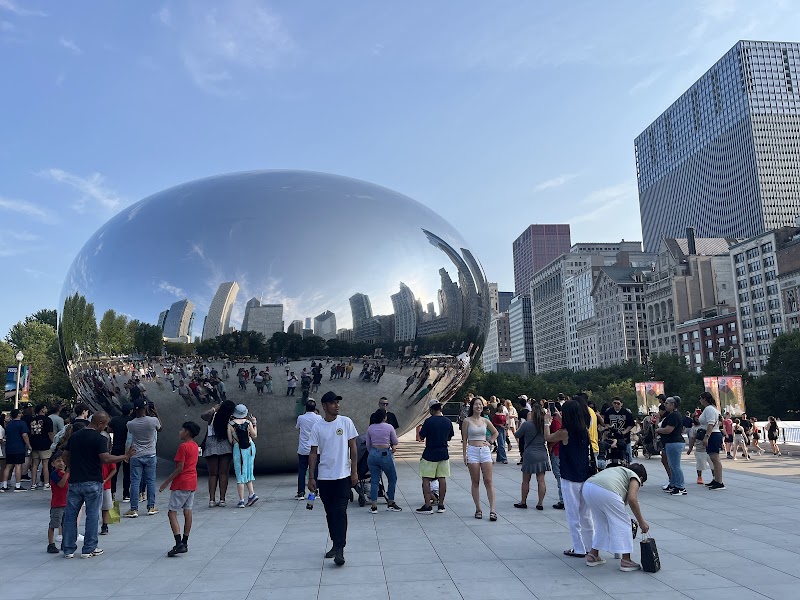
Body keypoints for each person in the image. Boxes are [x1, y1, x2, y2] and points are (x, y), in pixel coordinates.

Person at [62, 412, 135, 559]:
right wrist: (125, 457)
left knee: (70, 516)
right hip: (93, 481)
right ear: (100, 423)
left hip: (75, 482)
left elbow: (64, 455)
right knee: (92, 515)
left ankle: (68, 549)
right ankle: (89, 548)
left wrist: (72, 467)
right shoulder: (99, 438)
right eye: (105, 424)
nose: (106, 427)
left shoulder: (75, 436)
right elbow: (106, 458)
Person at [308, 391, 358, 566]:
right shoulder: (318, 427)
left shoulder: (346, 422)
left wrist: (354, 471)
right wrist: (311, 477)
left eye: (338, 402)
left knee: (340, 512)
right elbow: (313, 453)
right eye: (333, 403)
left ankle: (340, 549)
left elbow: (353, 448)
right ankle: (335, 544)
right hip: (325, 477)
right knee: (330, 513)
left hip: (343, 476)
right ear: (324, 406)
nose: (337, 405)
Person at [546, 399, 594, 558]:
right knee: (586, 515)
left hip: (569, 477)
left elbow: (548, 437)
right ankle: (590, 546)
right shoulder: (584, 430)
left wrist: (547, 422)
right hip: (584, 476)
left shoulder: (564, 432)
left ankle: (578, 547)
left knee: (573, 515)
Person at [582, 463, 650, 572]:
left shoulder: (618, 470)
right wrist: (641, 522)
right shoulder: (634, 476)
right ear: (640, 477)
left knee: (602, 522)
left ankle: (593, 555)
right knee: (624, 523)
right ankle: (626, 560)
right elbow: (632, 499)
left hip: (588, 486)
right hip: (606, 490)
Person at [159, 421, 201, 557]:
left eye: (182, 430)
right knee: (187, 511)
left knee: (172, 512)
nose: (179, 432)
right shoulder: (195, 446)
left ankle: (178, 543)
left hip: (182, 482)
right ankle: (185, 541)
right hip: (192, 482)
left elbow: (180, 468)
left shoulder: (183, 447)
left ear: (187, 432)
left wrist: (166, 482)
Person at [461, 396, 499, 521]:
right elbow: (464, 439)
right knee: (475, 481)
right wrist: (464, 454)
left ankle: (492, 510)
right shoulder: (467, 421)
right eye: (476, 404)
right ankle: (478, 508)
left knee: (488, 481)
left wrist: (490, 442)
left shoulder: (485, 420)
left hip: (485, 451)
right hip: (472, 451)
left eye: (480, 404)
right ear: (472, 406)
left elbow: (495, 432)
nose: (479, 406)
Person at [124, 399, 162, 518]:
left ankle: (133, 509)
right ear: (145, 408)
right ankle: (151, 506)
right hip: (150, 454)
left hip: (136, 455)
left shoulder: (130, 424)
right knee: (150, 481)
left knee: (135, 482)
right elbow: (160, 428)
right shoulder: (153, 421)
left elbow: (130, 438)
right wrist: (156, 413)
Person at [417, 399, 454, 514]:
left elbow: (421, 437)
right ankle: (441, 505)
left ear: (431, 409)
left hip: (429, 453)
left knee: (426, 479)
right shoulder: (448, 421)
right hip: (443, 453)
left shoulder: (429, 421)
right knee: (442, 479)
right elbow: (449, 437)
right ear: (441, 408)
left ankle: (428, 505)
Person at [513, 404, 550, 510]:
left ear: (532, 413)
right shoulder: (545, 425)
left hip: (529, 453)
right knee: (541, 480)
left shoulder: (527, 425)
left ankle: (523, 501)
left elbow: (517, 435)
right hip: (542, 453)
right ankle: (540, 503)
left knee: (526, 480)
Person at [365, 409, 401, 514]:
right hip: (385, 453)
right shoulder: (389, 427)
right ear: (385, 417)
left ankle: (374, 506)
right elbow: (395, 441)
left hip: (372, 454)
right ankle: (390, 502)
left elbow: (368, 444)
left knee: (374, 480)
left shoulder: (370, 428)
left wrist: (372, 452)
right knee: (392, 478)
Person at [200, 400, 235, 507]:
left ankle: (211, 500)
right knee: (223, 473)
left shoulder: (213, 415)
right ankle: (222, 499)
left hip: (211, 445)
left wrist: (214, 408)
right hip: (225, 445)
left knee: (212, 474)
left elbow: (203, 416)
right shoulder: (230, 418)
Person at [228, 404, 258, 508]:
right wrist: (254, 423)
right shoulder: (248, 422)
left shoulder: (230, 424)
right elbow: (254, 435)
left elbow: (230, 440)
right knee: (249, 471)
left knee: (240, 474)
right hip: (250, 448)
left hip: (238, 450)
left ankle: (241, 500)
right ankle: (251, 494)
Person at [656, 396, 686, 496]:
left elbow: (669, 429)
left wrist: (658, 430)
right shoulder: (672, 415)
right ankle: (673, 484)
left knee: (675, 466)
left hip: (674, 442)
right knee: (672, 465)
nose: (665, 405)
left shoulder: (674, 416)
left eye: (667, 403)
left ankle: (680, 486)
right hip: (671, 442)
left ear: (673, 405)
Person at [295, 399, 323, 500]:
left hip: (303, 448)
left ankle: (301, 492)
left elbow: (297, 427)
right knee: (315, 470)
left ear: (305, 408)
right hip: (315, 449)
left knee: (302, 470)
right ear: (315, 408)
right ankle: (315, 491)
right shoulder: (319, 418)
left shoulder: (301, 418)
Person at [698, 392, 725, 490]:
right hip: (714, 434)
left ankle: (719, 481)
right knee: (714, 459)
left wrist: (707, 437)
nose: (700, 400)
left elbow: (711, 424)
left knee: (715, 459)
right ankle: (716, 479)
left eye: (700, 398)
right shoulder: (713, 409)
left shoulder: (709, 409)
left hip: (712, 434)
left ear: (705, 399)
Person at [1, 409, 31, 492]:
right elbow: (24, 435)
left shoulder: (9, 424)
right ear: (18, 414)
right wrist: (28, 445)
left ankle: (4, 485)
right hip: (19, 447)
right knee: (18, 465)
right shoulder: (22, 424)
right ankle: (18, 485)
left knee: (8, 466)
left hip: (9, 448)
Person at [108, 404, 133, 502]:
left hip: (116, 447)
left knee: (114, 470)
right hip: (127, 448)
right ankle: (126, 494)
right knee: (127, 472)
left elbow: (109, 430)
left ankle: (112, 492)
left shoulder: (114, 420)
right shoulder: (131, 421)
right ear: (130, 411)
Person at [46, 453, 69, 553]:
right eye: (58, 461)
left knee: (66, 525)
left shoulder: (66, 474)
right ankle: (51, 544)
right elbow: (61, 484)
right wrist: (67, 473)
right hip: (57, 504)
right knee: (54, 524)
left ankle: (65, 543)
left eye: (63, 461)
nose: (61, 463)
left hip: (67, 503)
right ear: (53, 464)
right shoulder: (54, 474)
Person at [29, 404, 55, 490]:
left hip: (34, 443)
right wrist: (54, 442)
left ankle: (33, 484)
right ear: (42, 410)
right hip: (45, 444)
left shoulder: (32, 420)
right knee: (45, 464)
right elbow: (50, 433)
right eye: (45, 408)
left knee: (34, 465)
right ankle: (46, 483)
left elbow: (31, 432)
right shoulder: (48, 420)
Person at [601, 397, 634, 464]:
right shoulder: (608, 411)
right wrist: (609, 428)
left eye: (618, 403)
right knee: (611, 452)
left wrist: (624, 432)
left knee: (628, 456)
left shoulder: (626, 412)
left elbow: (631, 424)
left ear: (621, 404)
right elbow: (606, 422)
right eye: (614, 403)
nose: (616, 405)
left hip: (624, 437)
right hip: (612, 437)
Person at [548, 405, 565, 509]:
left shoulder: (555, 421)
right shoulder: (563, 421)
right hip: (561, 450)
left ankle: (563, 500)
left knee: (559, 475)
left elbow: (557, 437)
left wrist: (550, 446)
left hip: (557, 450)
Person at [687, 417, 713, 485]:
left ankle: (715, 477)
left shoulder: (708, 426)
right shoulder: (694, 429)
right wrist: (690, 448)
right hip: (700, 449)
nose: (698, 419)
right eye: (696, 418)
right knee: (700, 464)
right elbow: (692, 439)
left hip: (709, 448)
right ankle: (699, 477)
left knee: (713, 464)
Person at [99, 433, 117, 536]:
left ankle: (105, 524)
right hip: (98, 483)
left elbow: (114, 469)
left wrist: (106, 479)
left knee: (106, 506)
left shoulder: (109, 457)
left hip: (106, 485)